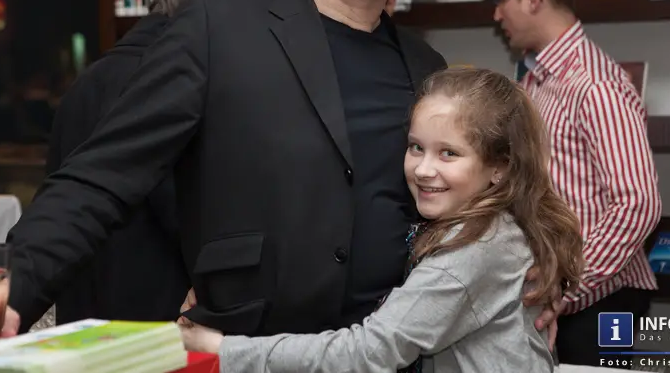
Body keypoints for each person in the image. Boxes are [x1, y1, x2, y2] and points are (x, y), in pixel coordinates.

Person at [3, 0, 561, 346]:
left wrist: (524, 273)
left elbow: (466, 203)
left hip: (383, 354)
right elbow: (99, 179)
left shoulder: (426, 68)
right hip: (245, 347)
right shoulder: (216, 31)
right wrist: (11, 293)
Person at [179, 67, 585, 373]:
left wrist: (220, 347)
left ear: (500, 166)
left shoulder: (473, 249)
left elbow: (368, 352)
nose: (424, 169)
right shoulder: (495, 224)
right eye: (416, 148)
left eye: (449, 154)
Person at [40, 0, 267, 327]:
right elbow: (186, 212)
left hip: (83, 314)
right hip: (155, 319)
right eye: (247, 9)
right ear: (213, 9)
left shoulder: (91, 78)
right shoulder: (177, 82)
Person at [492, 0, 662, 368]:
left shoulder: (594, 84)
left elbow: (638, 203)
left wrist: (567, 285)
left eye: (501, 1)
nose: (496, 16)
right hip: (556, 298)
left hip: (602, 302)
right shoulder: (536, 81)